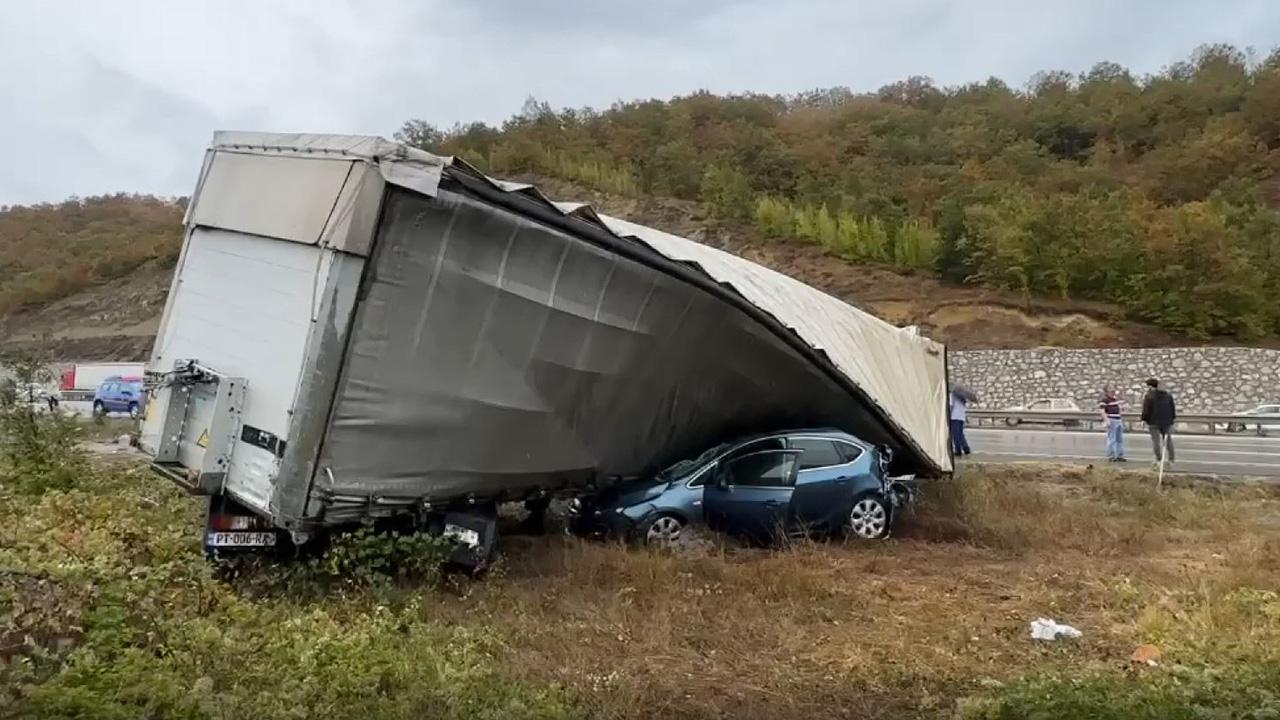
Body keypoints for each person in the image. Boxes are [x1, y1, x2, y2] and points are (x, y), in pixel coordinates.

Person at [1141, 378, 1176, 468]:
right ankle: (1171, 459)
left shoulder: (1149, 396)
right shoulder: (1168, 396)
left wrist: (1144, 419)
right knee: (1168, 441)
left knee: (1156, 441)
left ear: (1150, 386)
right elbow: (1172, 409)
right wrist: (1172, 420)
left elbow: (1146, 409)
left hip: (1153, 422)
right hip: (1166, 422)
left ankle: (1158, 459)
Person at [1098, 386, 1126, 462]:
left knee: (1119, 439)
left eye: (1113, 390)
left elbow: (1119, 410)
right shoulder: (1105, 400)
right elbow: (1102, 411)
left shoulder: (1115, 400)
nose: (1113, 391)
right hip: (1111, 419)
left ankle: (1120, 455)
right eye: (1111, 390)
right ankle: (1112, 455)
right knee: (1112, 438)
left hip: (1118, 420)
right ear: (1107, 392)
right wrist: (1106, 420)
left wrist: (1121, 418)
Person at [950, 390, 972, 456]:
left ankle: (958, 450)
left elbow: (951, 406)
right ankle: (966, 448)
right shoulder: (962, 398)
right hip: (961, 417)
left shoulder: (952, 395)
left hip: (954, 417)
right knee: (960, 434)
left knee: (956, 435)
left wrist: (949, 414)